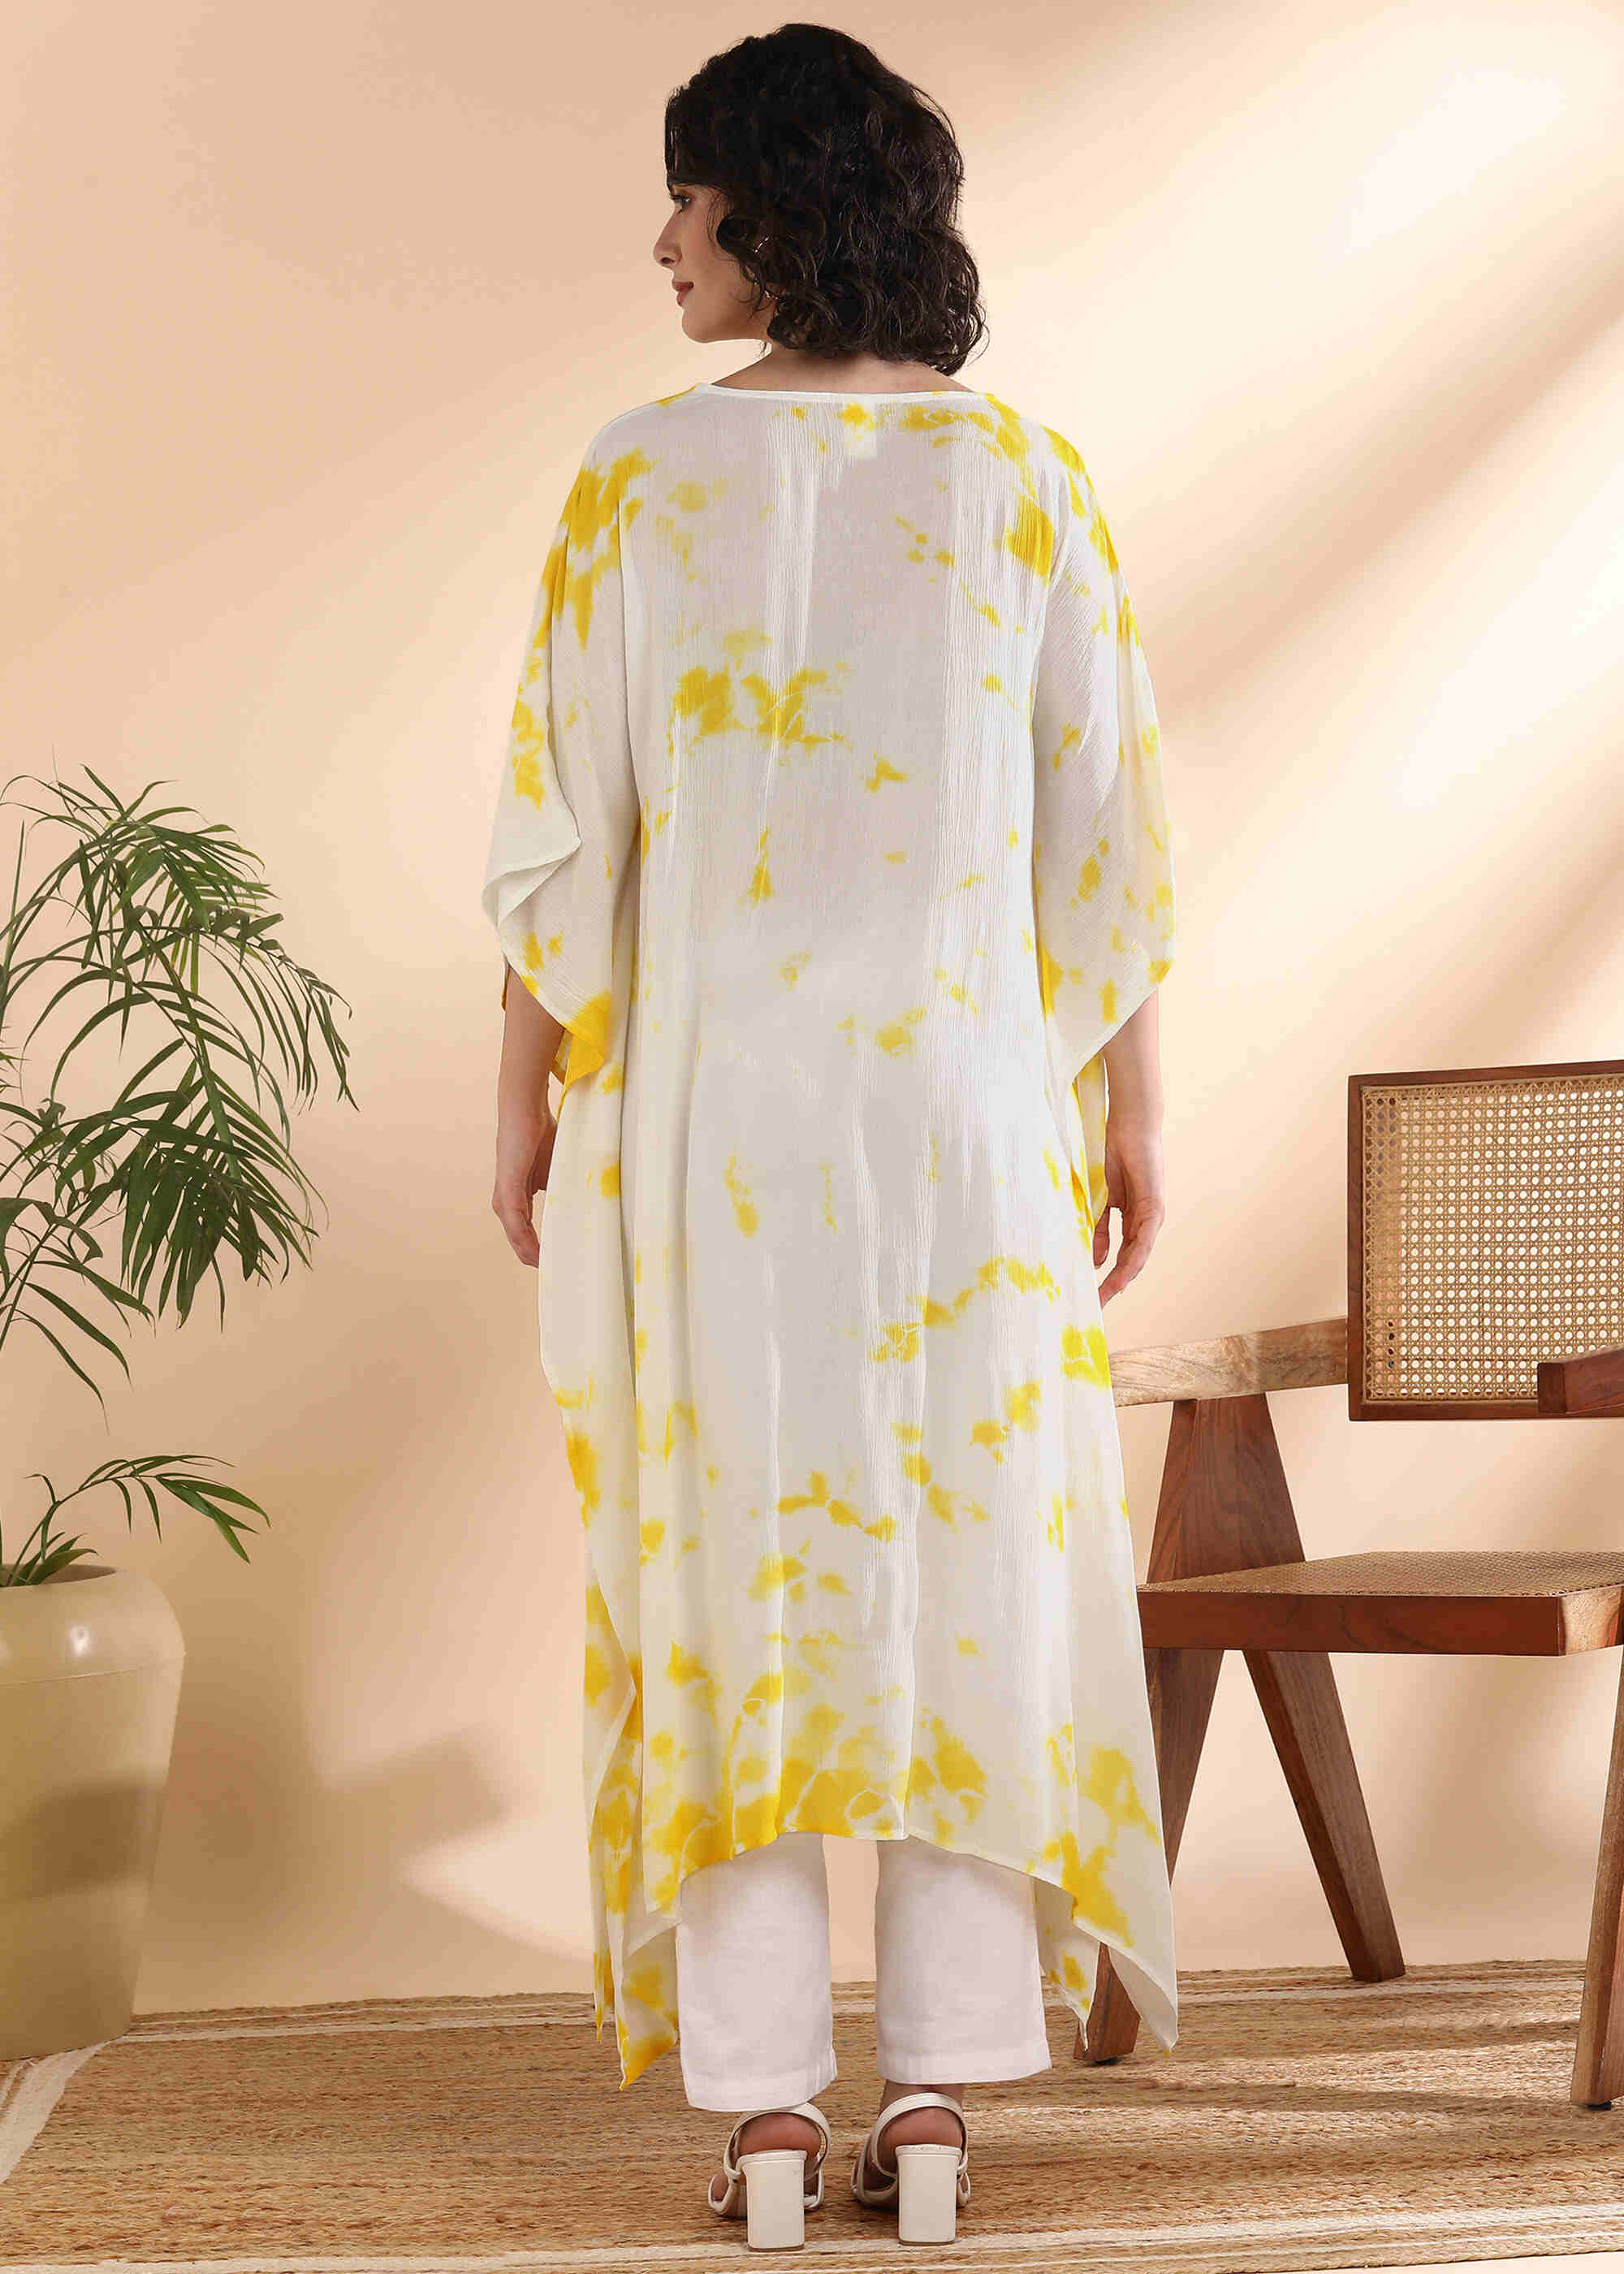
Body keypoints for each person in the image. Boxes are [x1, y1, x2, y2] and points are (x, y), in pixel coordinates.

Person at [482, 21, 1177, 2247]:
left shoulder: (638, 480)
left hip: (721, 1117)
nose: (663, 239)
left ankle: (772, 2112)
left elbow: (572, 837)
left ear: (773, 206)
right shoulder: (1029, 478)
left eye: (688, 194)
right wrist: (1131, 1112)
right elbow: (1101, 846)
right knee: (966, 1570)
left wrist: (520, 1098)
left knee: (730, 1574)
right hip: (965, 1117)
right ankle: (943, 2100)